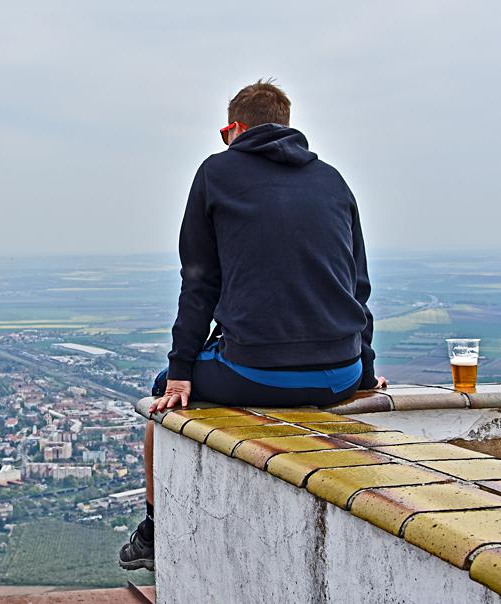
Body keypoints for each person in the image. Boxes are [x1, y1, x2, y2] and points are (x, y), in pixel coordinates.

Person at [119, 80, 386, 572]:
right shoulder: (333, 179)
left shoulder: (216, 172)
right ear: (286, 126)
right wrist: (364, 373)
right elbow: (359, 284)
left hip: (261, 374)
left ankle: (155, 530)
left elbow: (200, 280)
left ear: (233, 130)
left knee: (161, 393)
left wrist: (180, 371)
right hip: (343, 375)